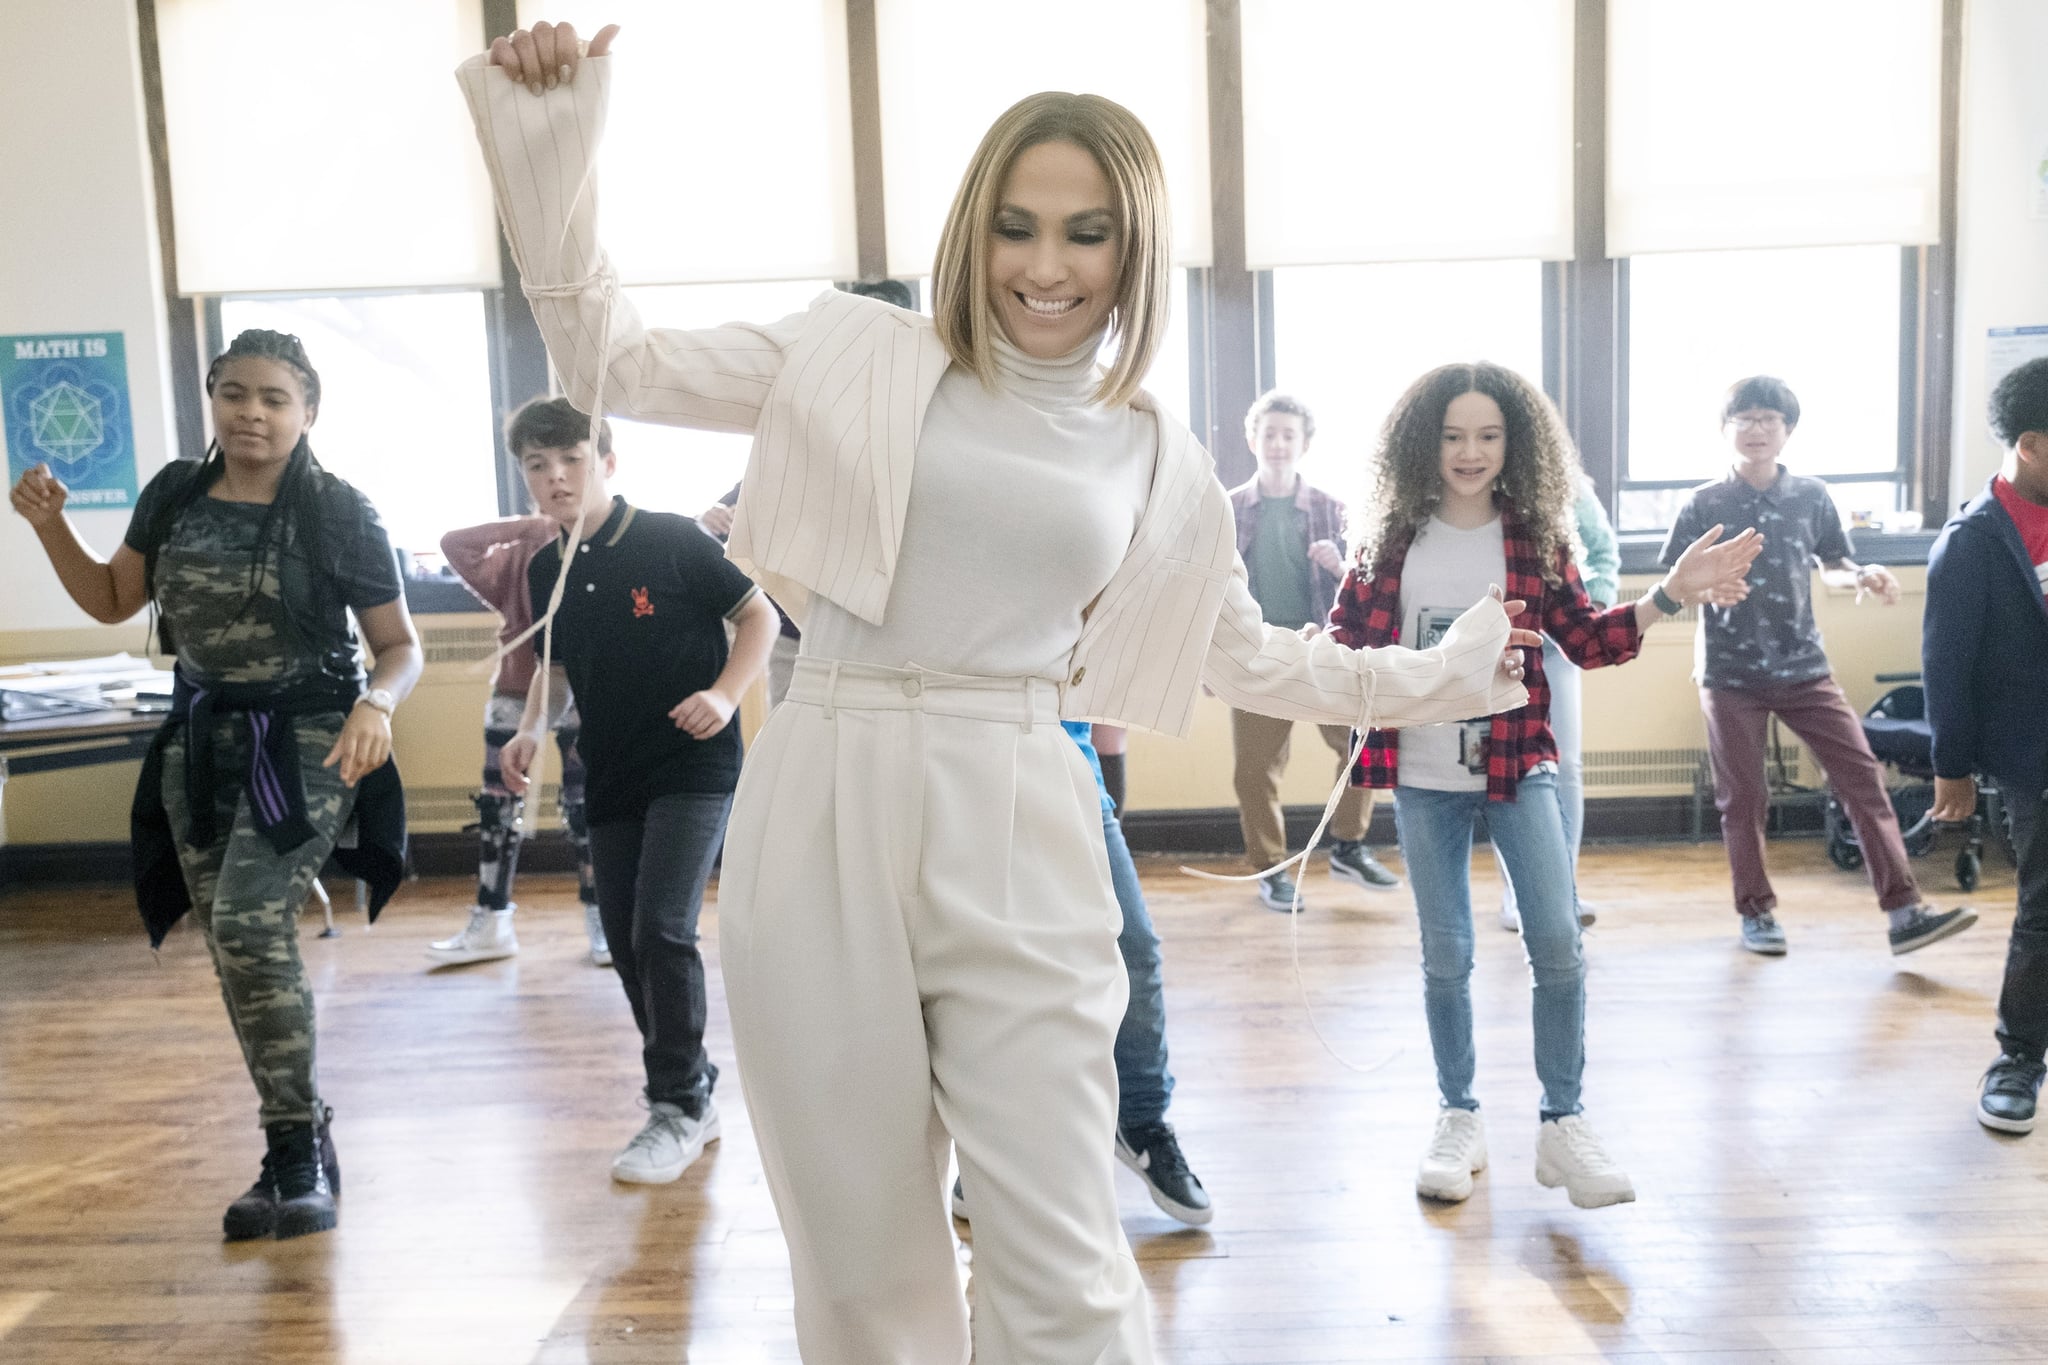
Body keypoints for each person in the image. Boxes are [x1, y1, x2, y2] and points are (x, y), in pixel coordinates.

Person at [463, 25, 1536, 1362]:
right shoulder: (855, 354)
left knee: (1066, 1257)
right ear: (974, 231)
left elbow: (1252, 654)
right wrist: (552, 140)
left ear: (1131, 251)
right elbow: (607, 356)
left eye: (1086, 232)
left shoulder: (1155, 452)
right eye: (1017, 226)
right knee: (861, 1259)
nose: (1046, 265)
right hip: (826, 775)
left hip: (1020, 791)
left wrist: (1441, 673)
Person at [10, 328, 422, 1241]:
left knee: (245, 918)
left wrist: (380, 705)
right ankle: (299, 1127)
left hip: (310, 735)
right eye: (235, 393)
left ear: (308, 411)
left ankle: (293, 1155)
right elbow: (113, 599)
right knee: (235, 949)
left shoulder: (338, 511)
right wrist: (48, 528)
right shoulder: (175, 492)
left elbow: (399, 645)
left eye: (275, 398)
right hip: (201, 738)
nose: (252, 412)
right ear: (213, 398)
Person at [1327, 362, 1761, 1209]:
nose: (1470, 451)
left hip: (1519, 764)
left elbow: (1589, 639)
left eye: (1488, 435)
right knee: (1446, 954)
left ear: (1513, 443)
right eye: (1453, 435)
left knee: (1558, 944)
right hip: (1421, 777)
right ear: (1424, 442)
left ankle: (1563, 1124)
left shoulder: (1532, 537)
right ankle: (1459, 1115)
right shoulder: (1389, 540)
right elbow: (1343, 645)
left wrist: (1668, 595)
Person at [496, 396, 779, 1185]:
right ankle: (690, 1085)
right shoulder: (546, 566)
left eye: (572, 460)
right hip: (611, 769)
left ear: (607, 463)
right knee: (623, 940)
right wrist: (528, 729)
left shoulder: (669, 540)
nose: (555, 478)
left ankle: (678, 1102)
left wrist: (724, 695)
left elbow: (759, 615)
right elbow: (553, 668)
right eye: (537, 465)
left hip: (694, 765)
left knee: (662, 926)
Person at [1664, 376, 1977, 957]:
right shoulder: (1704, 502)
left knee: (1862, 779)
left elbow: (1833, 562)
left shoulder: (1811, 495)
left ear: (1788, 430)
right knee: (1745, 797)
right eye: (1745, 418)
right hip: (1730, 674)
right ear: (1726, 428)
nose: (1757, 430)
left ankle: (1905, 912)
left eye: (1769, 419)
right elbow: (1675, 588)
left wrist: (1861, 576)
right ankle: (1755, 913)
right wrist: (1708, 593)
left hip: (1804, 665)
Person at [953, 719, 1210, 1227]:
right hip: (965, 782)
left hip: (1074, 780)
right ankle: (991, 1149)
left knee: (1134, 949)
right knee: (994, 973)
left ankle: (1142, 1124)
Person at [1925, 356, 2048, 1135]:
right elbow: (1947, 663)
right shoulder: (1973, 542)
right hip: (2036, 754)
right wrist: (1953, 769)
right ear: (2033, 444)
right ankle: (2019, 1056)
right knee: (2044, 907)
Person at [1228, 390, 1400, 911]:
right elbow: (1209, 591)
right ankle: (1273, 869)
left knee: (1360, 745)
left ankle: (1348, 846)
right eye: (1269, 433)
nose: (1278, 443)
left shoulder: (1334, 510)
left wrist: (1339, 565)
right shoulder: (1228, 509)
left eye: (1289, 435)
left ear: (1304, 444)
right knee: (1255, 770)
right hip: (1257, 654)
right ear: (1253, 439)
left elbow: (1371, 589)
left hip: (1324, 650)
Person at [428, 510, 607, 966]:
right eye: (539, 466)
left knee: (587, 807)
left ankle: (602, 921)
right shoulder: (515, 555)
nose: (555, 477)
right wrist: (530, 527)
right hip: (512, 691)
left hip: (585, 691)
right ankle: (491, 922)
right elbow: (455, 542)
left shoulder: (602, 544)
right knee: (497, 808)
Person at [1498, 471, 1618, 932]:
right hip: (1496, 646)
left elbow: (1603, 553)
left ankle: (1560, 889)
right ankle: (1518, 896)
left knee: (1565, 767)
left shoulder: (1568, 485)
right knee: (1509, 764)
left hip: (1558, 645)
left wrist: (1590, 609)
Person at [697, 484, 800, 706]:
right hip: (789, 632)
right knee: (788, 721)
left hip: (849, 628)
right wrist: (707, 519)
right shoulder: (763, 476)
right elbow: (708, 528)